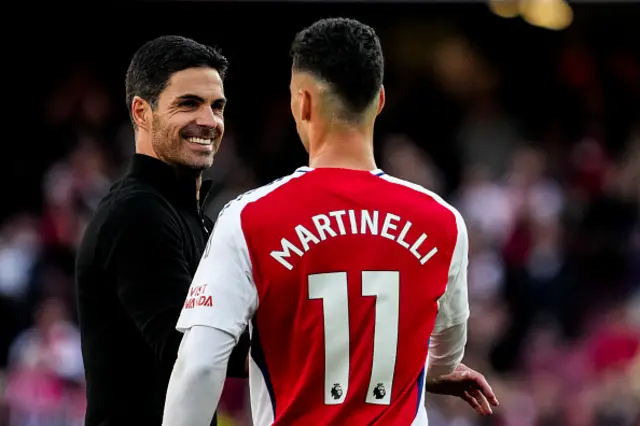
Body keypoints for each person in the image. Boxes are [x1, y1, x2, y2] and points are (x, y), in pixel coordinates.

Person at [162, 19, 498, 426]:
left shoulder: (249, 219)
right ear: (380, 100)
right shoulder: (442, 222)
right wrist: (437, 371)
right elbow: (447, 350)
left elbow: (198, 366)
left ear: (301, 102)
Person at [75, 35, 249, 426]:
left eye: (216, 106)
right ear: (141, 112)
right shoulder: (137, 214)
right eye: (188, 104)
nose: (208, 121)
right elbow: (191, 350)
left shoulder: (183, 214)